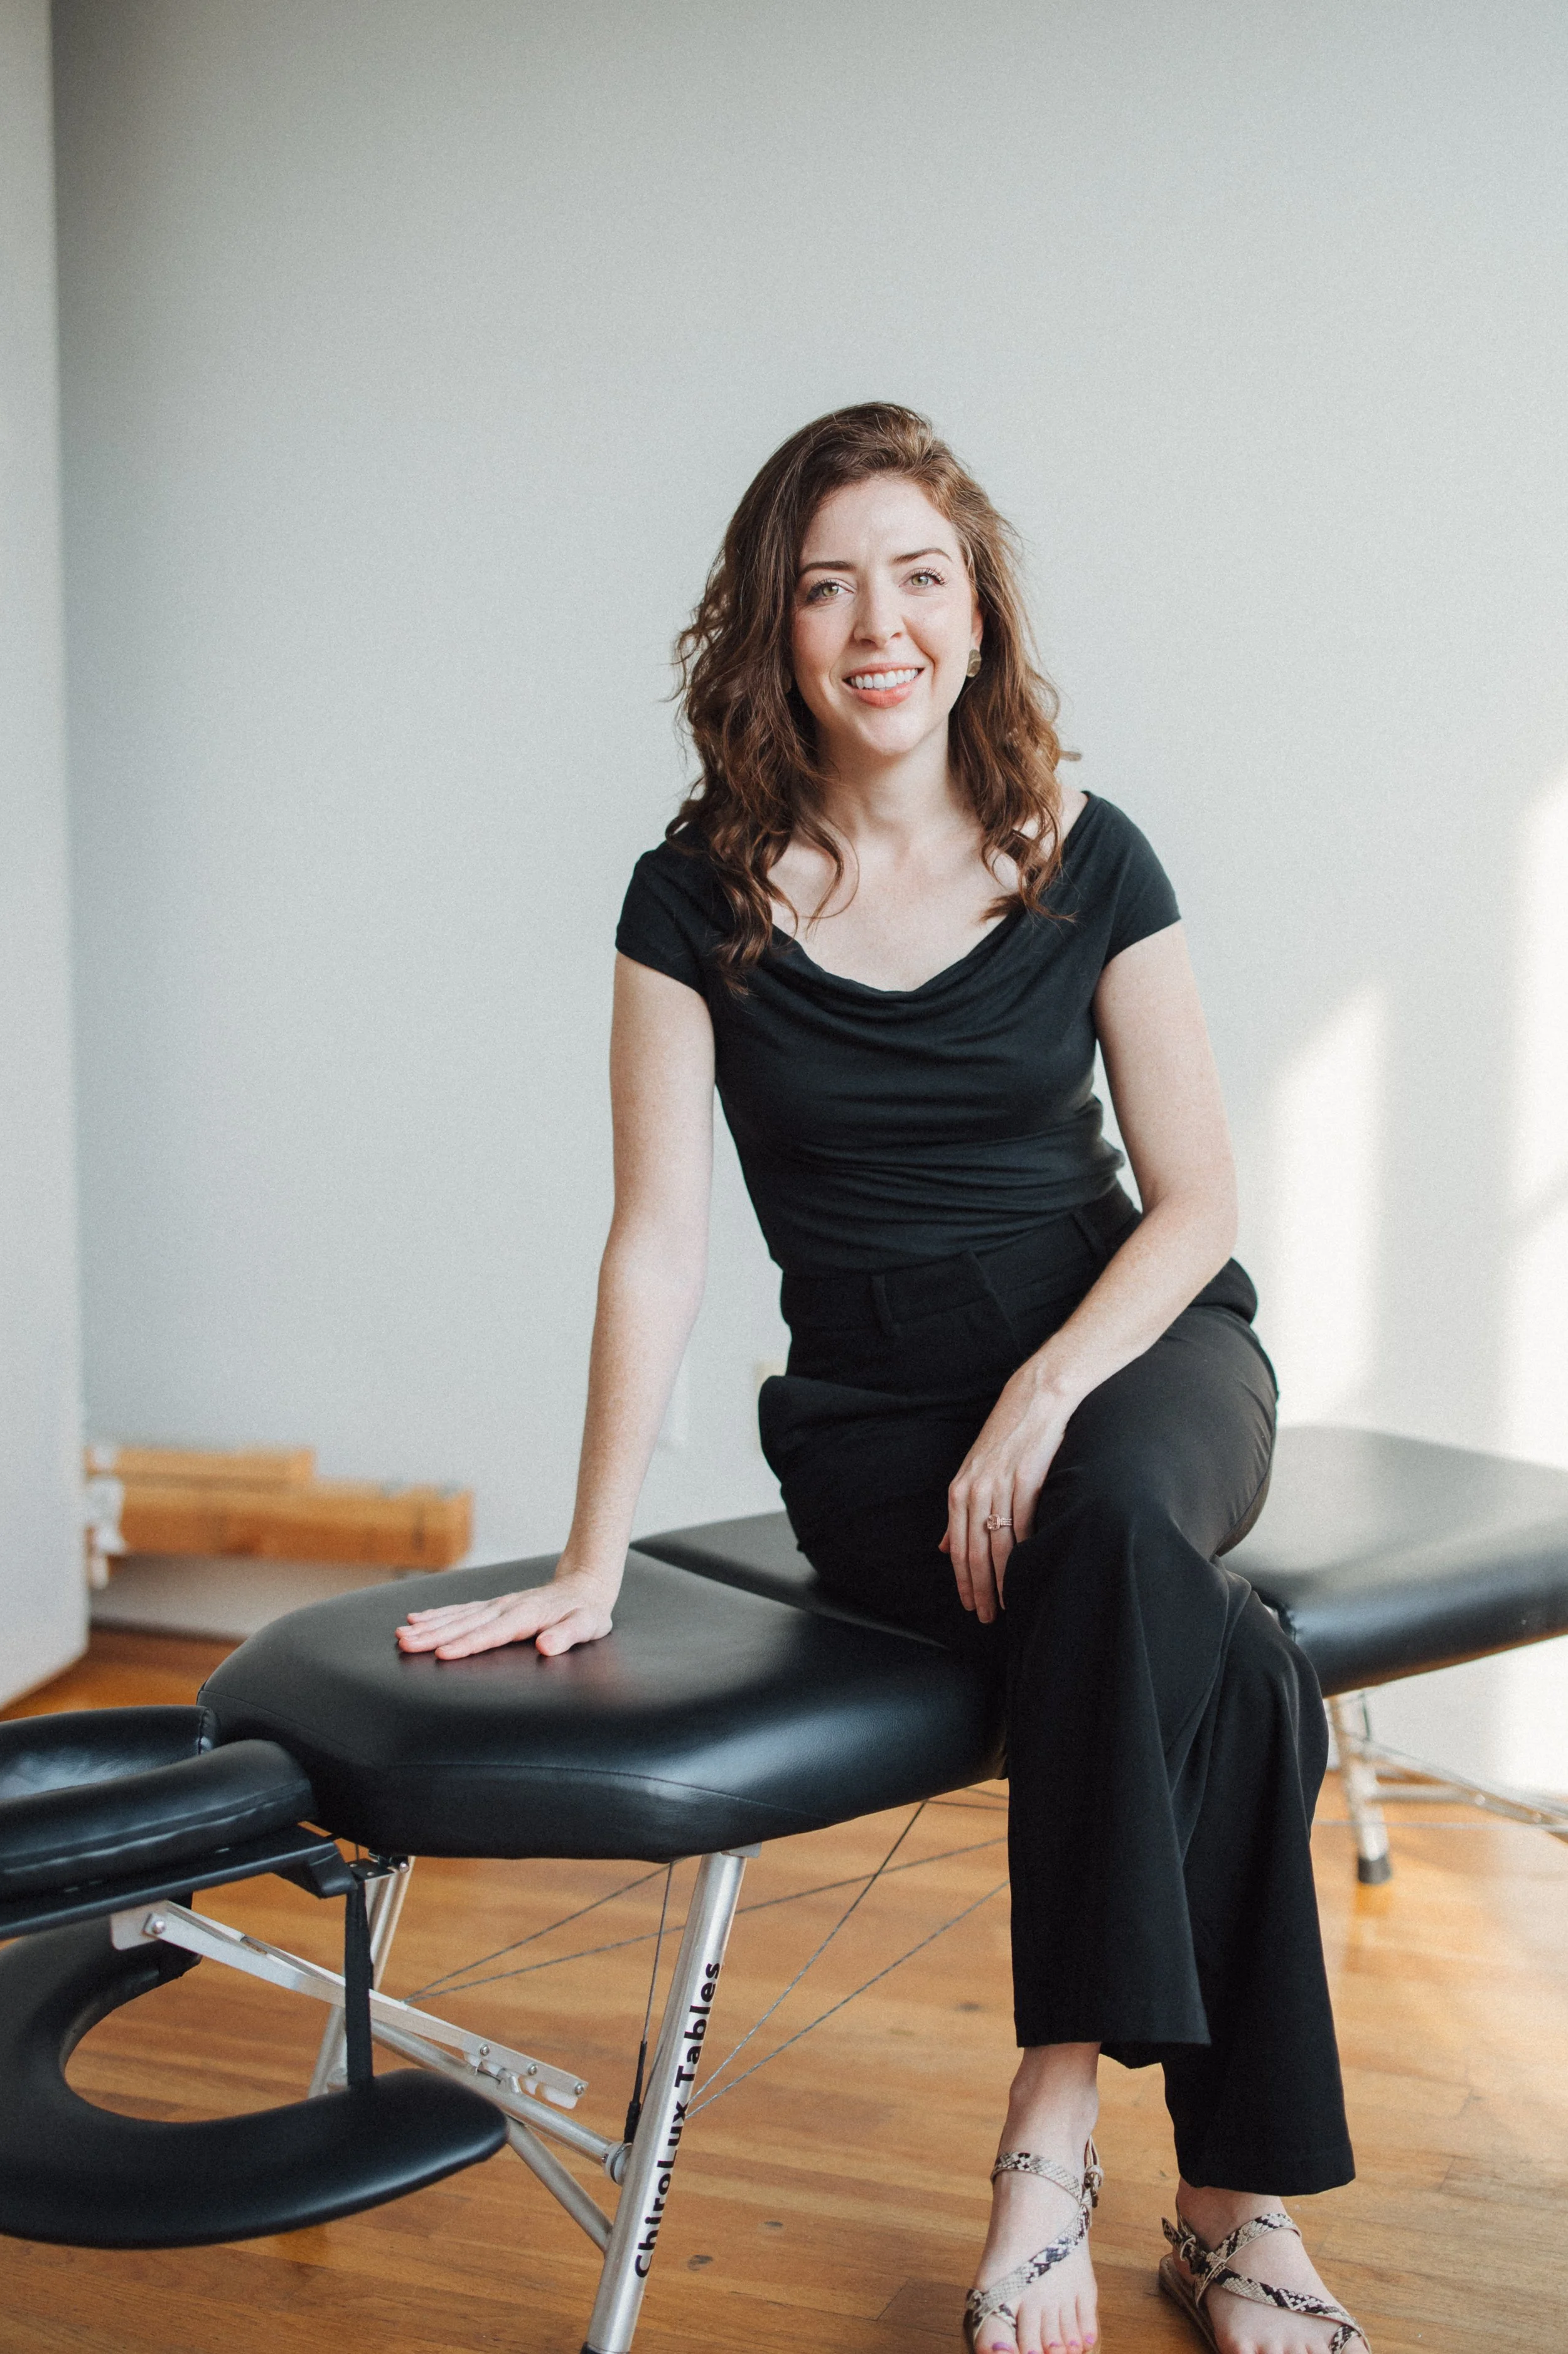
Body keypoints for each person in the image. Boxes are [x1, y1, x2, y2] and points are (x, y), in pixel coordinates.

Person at [397, 405, 1369, 2354]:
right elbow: (657, 1238)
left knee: (1104, 1514)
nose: (879, 622)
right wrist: (590, 1556)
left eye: (919, 574)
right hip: (869, 1419)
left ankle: (1046, 2132)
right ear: (773, 629)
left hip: (1138, 1345)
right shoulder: (694, 898)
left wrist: (1044, 1389)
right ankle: (1236, 2206)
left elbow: (1194, 1200)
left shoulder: (1091, 857)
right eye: (829, 583)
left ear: (977, 611)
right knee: (1220, 1646)